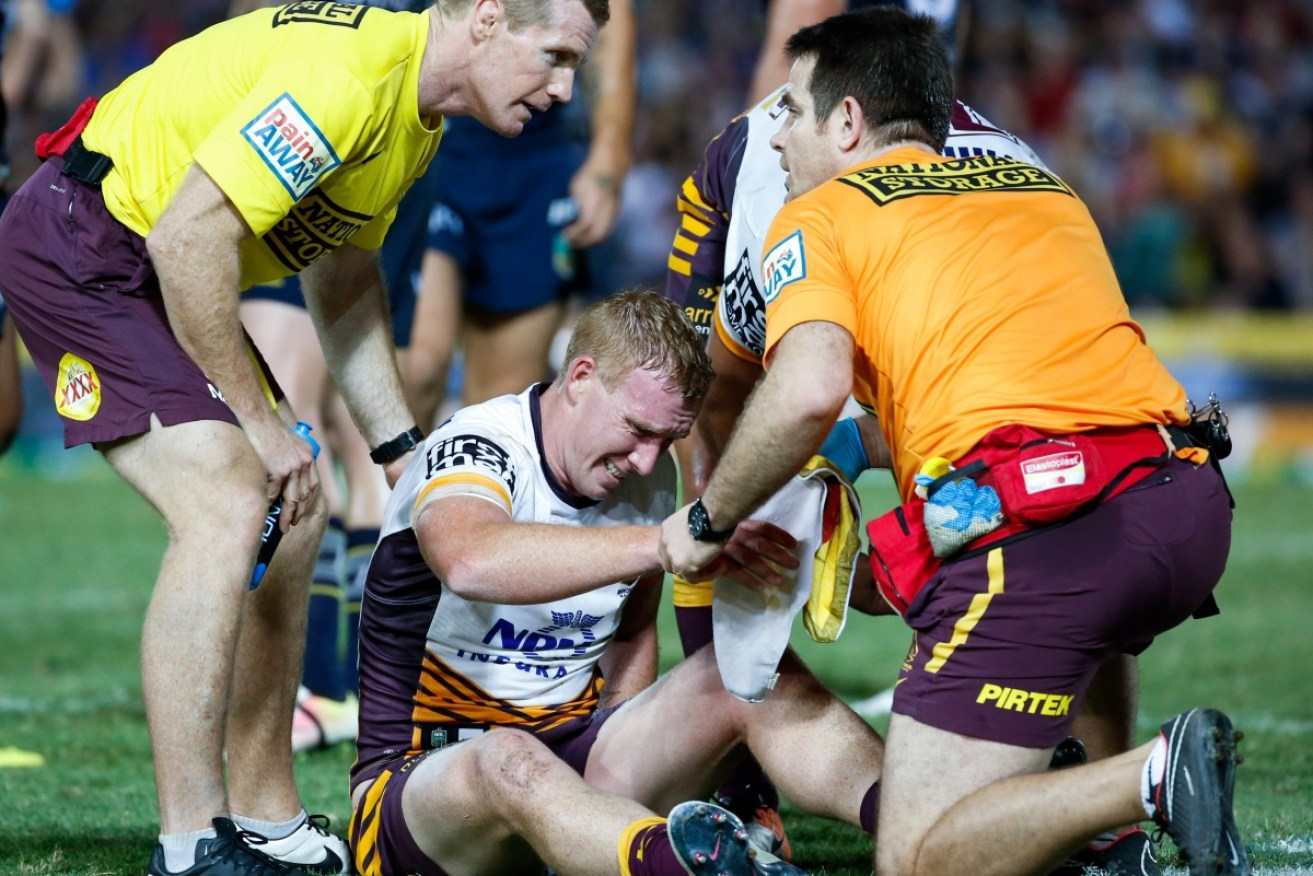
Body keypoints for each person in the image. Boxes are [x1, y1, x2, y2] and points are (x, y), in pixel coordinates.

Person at [0, 1, 608, 874]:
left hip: (147, 249)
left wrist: (402, 451)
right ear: (484, 19)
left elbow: (345, 278)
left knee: (296, 507)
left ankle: (266, 817)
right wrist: (263, 422)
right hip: (86, 238)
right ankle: (189, 845)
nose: (563, 89)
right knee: (229, 500)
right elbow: (186, 235)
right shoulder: (348, 79)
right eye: (553, 56)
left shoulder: (416, 117)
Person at [659, 9, 1247, 876]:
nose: (777, 137)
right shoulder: (1039, 186)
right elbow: (1029, 384)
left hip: (1047, 537)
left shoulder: (819, 215)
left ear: (848, 121)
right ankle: (1108, 845)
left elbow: (806, 391)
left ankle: (1149, 782)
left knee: (918, 855)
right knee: (1060, 599)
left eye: (790, 109)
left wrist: (706, 522)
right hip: (1182, 502)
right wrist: (861, 451)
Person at [349, 290, 885, 876]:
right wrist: (660, 541)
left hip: (572, 762)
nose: (647, 462)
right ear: (581, 377)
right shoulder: (476, 447)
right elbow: (468, 560)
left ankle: (920, 818)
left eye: (666, 440)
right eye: (637, 429)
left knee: (747, 676)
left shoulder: (639, 477)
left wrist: (624, 754)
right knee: (508, 756)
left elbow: (632, 633)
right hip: (422, 785)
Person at [402, 0, 635, 428]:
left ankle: (465, 492)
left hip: (535, 161)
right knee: (419, 365)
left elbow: (610, 27)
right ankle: (384, 487)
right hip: (439, 142)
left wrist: (608, 158)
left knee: (498, 404)